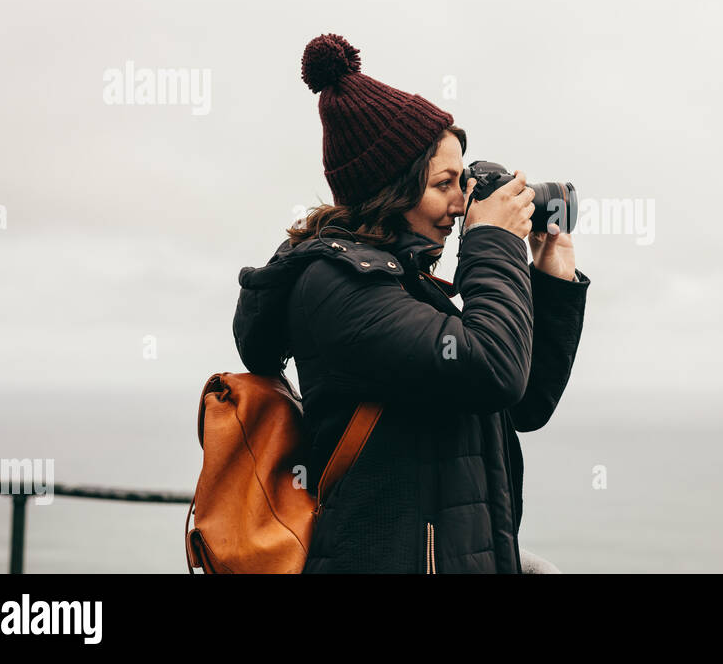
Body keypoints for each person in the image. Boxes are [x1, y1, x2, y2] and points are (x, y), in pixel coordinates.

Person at [231, 33, 590, 573]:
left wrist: (549, 275)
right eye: (444, 183)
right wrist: (494, 241)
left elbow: (523, 402)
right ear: (391, 189)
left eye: (463, 181)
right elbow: (494, 368)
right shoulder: (337, 287)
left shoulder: (406, 285)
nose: (460, 203)